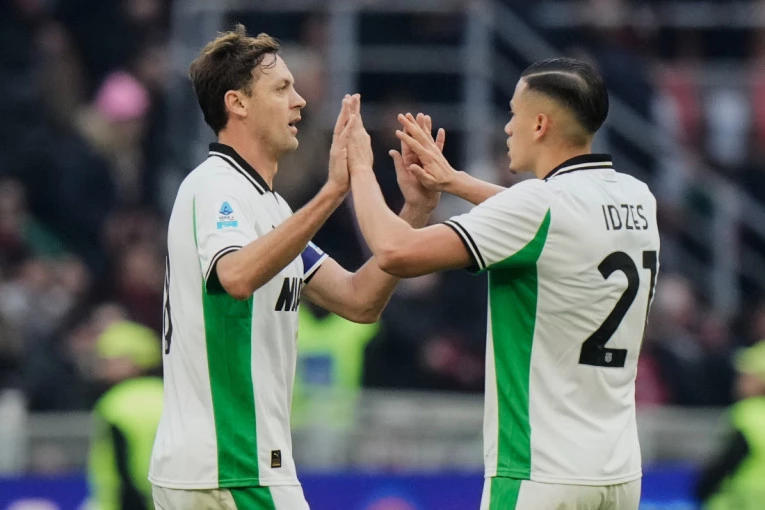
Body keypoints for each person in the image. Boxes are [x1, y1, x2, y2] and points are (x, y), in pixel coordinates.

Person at [148, 24, 442, 510]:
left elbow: (358, 300)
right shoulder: (216, 186)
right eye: (282, 88)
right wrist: (334, 190)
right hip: (229, 465)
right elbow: (235, 276)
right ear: (237, 103)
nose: (300, 101)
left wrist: (413, 212)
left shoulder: (271, 208)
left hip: (238, 465)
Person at [345, 57, 660, 510]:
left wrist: (359, 167)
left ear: (540, 124)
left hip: (539, 471)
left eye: (513, 114)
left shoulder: (538, 206)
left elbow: (394, 250)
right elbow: (551, 219)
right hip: (619, 472)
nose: (507, 127)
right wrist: (456, 182)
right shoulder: (637, 197)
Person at [88, 320, 164, 510]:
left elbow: (119, 467)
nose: (102, 368)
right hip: (167, 499)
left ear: (130, 360)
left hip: (123, 502)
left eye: (108, 360)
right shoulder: (168, 395)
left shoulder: (114, 403)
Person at [696, 341, 765, 509]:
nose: (739, 382)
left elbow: (726, 461)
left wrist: (703, 490)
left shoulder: (747, 413)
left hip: (740, 501)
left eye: (747, 377)